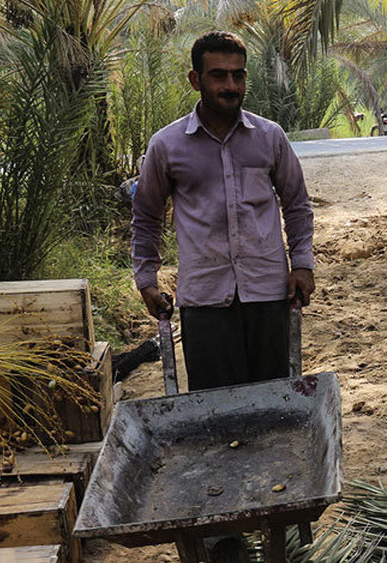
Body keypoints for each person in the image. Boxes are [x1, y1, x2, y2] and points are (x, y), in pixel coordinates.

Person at [131, 31, 315, 391]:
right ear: (195, 80)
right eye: (219, 75)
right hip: (204, 299)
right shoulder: (167, 146)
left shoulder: (270, 137)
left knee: (273, 402)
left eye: (239, 75)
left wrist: (303, 264)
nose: (231, 85)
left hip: (268, 293)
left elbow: (296, 204)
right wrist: (147, 281)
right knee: (215, 408)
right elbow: (147, 216)